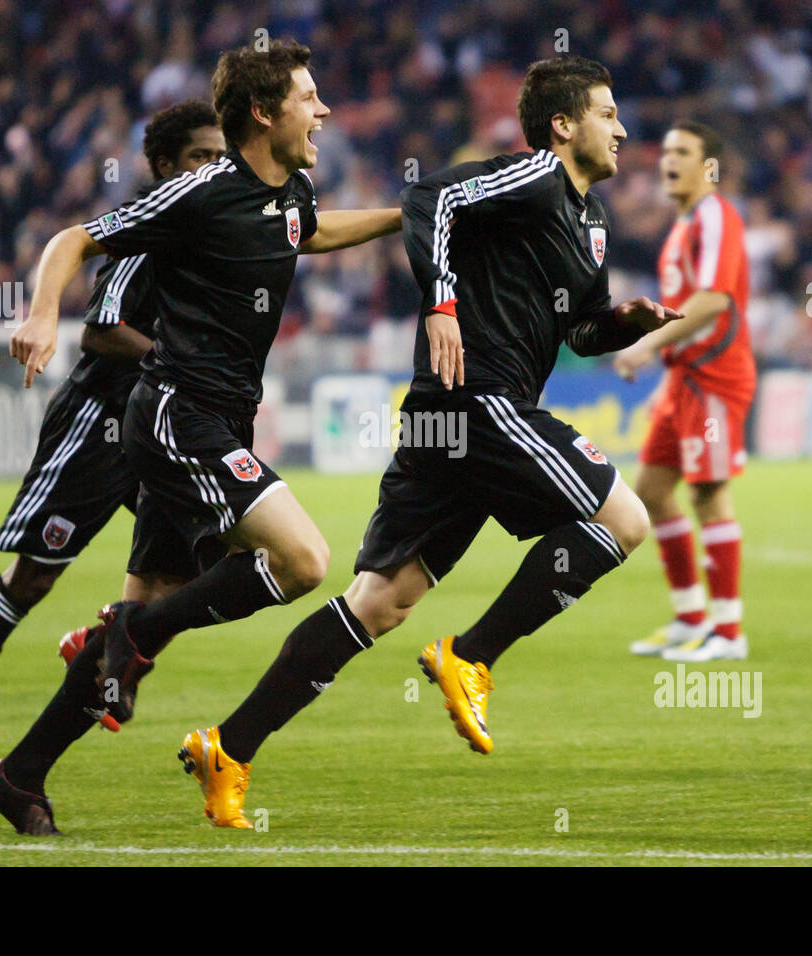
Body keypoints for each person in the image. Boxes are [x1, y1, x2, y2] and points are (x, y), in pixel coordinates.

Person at [175, 55, 680, 829]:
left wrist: (620, 328)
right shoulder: (533, 176)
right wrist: (441, 306)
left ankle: (229, 747)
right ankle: (472, 655)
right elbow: (429, 197)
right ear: (562, 125)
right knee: (625, 520)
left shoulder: (593, 223)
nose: (622, 128)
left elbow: (578, 325)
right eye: (608, 114)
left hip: (452, 425)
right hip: (478, 402)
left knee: (379, 603)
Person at [0, 40, 401, 834]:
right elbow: (75, 238)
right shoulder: (201, 191)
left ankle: (20, 774)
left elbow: (308, 231)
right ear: (264, 112)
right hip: (178, 413)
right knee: (303, 560)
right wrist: (41, 314)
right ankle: (133, 632)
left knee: (129, 651)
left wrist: (400, 217)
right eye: (311, 98)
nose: (326, 111)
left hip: (219, 418)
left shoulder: (291, 188)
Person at [0, 100, 227, 775]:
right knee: (34, 577)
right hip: (100, 424)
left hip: (161, 427)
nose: (214, 169)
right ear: (166, 165)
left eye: (222, 158)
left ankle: (107, 639)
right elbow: (100, 329)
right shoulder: (153, 229)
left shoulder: (208, 228)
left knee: (212, 556)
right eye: (201, 156)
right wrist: (175, 360)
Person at [616, 121, 755, 662]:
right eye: (666, 150)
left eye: (684, 152)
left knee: (709, 494)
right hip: (685, 380)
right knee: (650, 491)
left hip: (716, 376)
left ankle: (727, 632)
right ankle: (690, 617)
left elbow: (715, 300)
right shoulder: (685, 223)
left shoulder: (716, 215)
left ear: (710, 166)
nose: (669, 159)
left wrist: (649, 346)